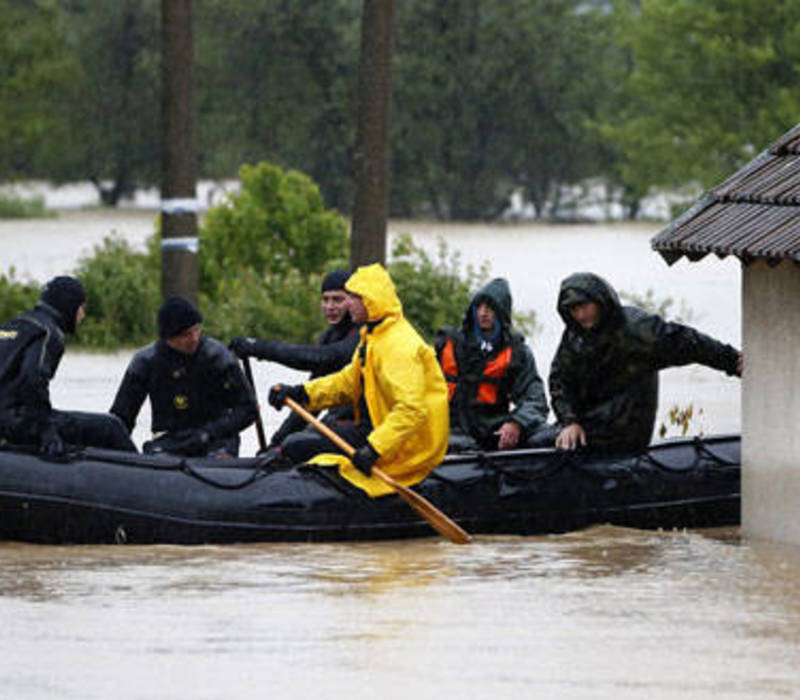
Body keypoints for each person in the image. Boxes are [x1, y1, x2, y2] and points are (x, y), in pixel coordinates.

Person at [266, 263, 449, 497]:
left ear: (370, 300)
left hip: (403, 444)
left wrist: (374, 448)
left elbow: (412, 410)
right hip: (379, 430)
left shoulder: (398, 346)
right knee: (300, 441)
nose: (347, 303)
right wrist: (300, 393)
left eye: (353, 297)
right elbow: (346, 383)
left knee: (297, 445)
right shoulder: (372, 337)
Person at [549, 272, 743, 453]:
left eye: (584, 306)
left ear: (600, 301)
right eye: (574, 309)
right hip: (588, 424)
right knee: (533, 440)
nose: (581, 315)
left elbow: (689, 342)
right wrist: (569, 421)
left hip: (623, 431)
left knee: (542, 443)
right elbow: (559, 381)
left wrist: (733, 361)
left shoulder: (637, 328)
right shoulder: (576, 336)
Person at [0, 276, 136, 456]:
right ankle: (152, 475)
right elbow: (32, 380)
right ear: (69, 307)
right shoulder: (50, 333)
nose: (83, 316)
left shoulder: (13, 326)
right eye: (82, 308)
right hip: (18, 422)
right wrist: (46, 431)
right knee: (111, 426)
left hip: (7, 419)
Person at [228, 269, 360, 450]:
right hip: (338, 422)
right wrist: (276, 444)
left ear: (354, 301)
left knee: (297, 445)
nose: (330, 306)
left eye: (338, 299)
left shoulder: (364, 334)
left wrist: (258, 347)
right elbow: (311, 401)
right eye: (325, 299)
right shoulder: (329, 336)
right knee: (290, 444)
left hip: (366, 428)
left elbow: (319, 358)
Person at [110, 297, 257, 457]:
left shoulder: (218, 357)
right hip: (171, 441)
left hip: (216, 439)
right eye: (186, 335)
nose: (194, 338)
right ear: (168, 338)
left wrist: (209, 432)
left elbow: (248, 409)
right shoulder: (146, 361)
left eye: (197, 330)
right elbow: (122, 418)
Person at [435, 277, 550, 452]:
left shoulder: (517, 352)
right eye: (479, 307)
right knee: (460, 444)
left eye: (490, 308)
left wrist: (516, 422)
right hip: (452, 429)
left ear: (501, 312)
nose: (483, 313)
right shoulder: (448, 345)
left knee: (547, 435)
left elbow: (535, 399)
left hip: (493, 430)